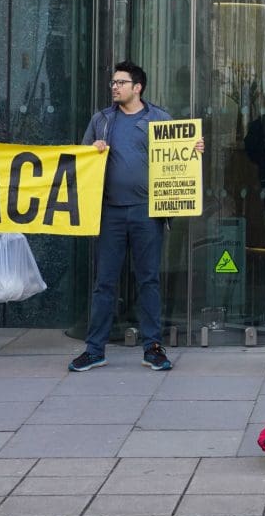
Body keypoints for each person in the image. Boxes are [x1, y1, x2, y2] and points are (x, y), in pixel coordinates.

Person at [69, 61, 202, 373]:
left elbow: (179, 158)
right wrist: (93, 149)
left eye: (121, 82)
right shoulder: (101, 120)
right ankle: (94, 349)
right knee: (104, 283)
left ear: (137, 87)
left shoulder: (159, 119)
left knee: (149, 281)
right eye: (113, 82)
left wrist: (193, 148)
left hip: (148, 213)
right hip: (110, 212)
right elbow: (79, 161)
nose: (115, 87)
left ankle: (153, 347)